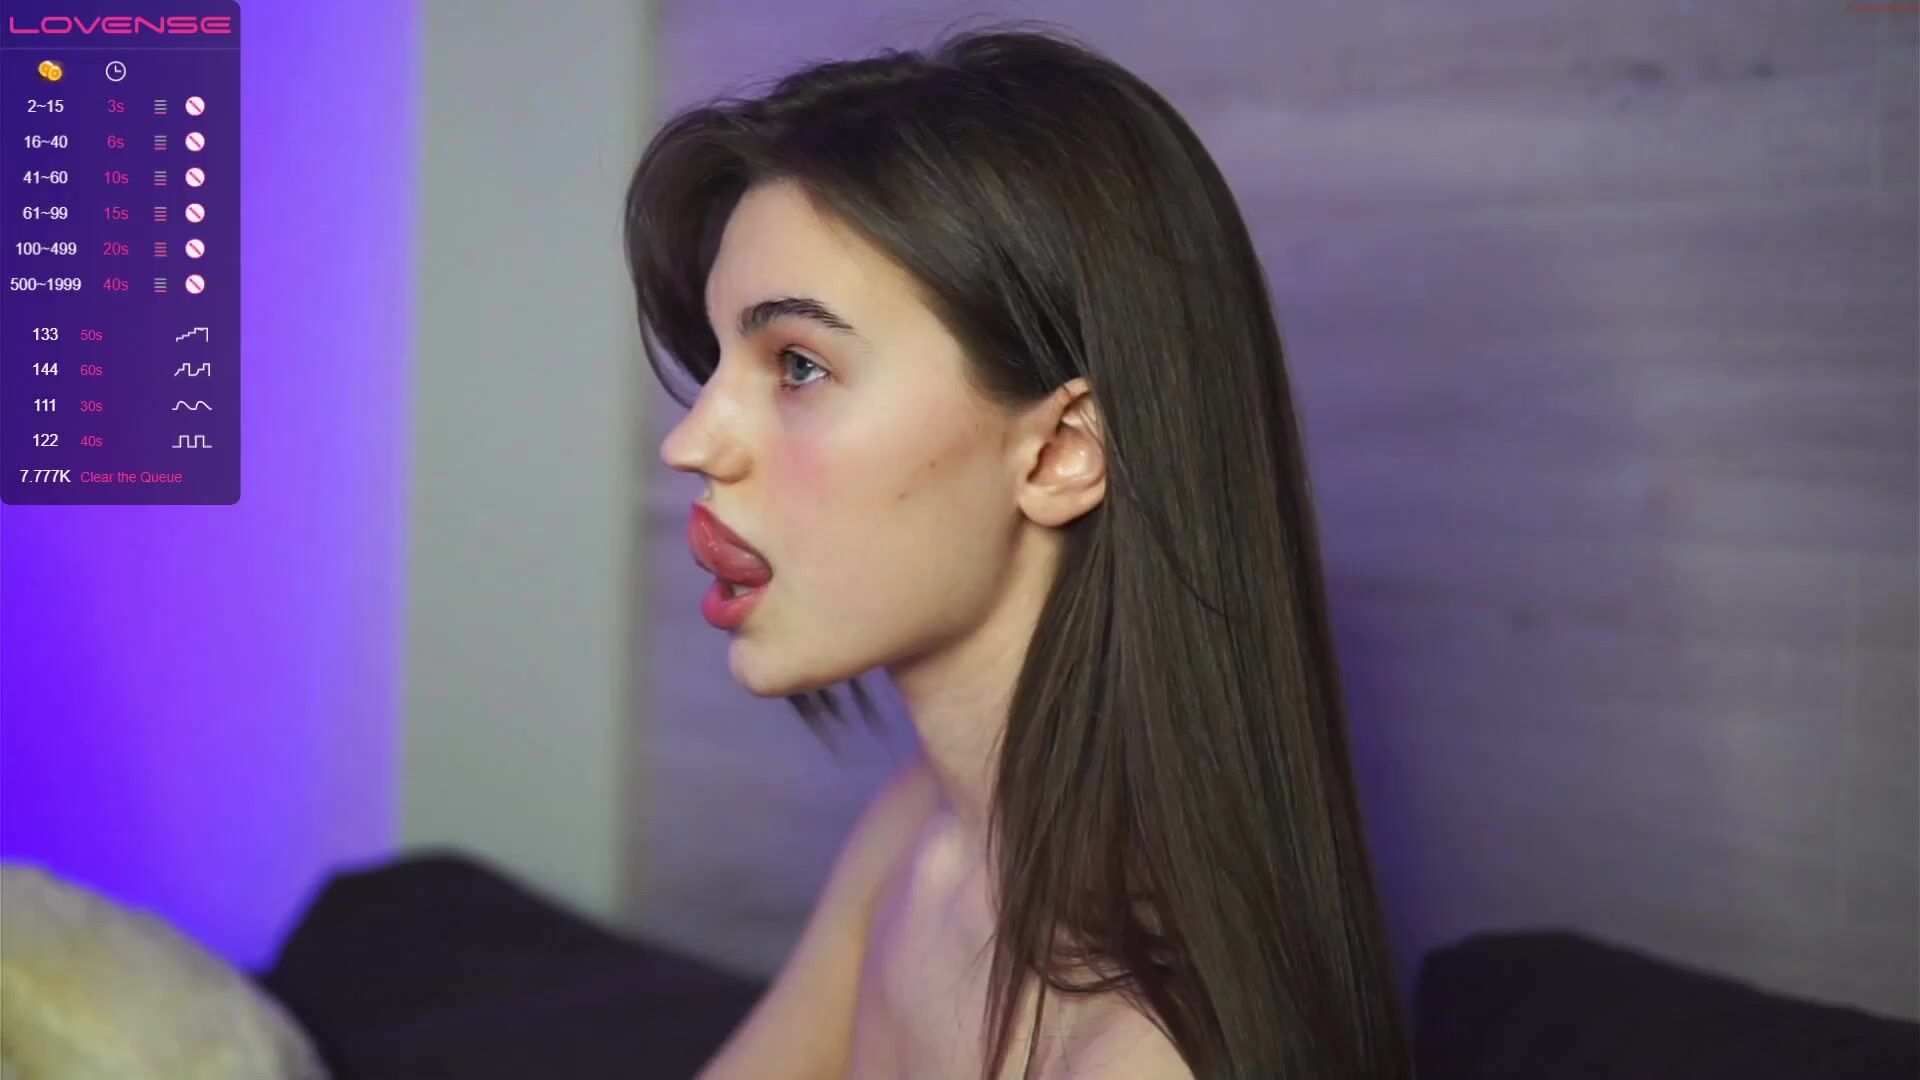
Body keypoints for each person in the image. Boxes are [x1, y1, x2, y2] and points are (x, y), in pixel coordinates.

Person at [624, 22, 1413, 1080]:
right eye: (719, 360)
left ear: (1063, 451)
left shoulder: (1142, 1056)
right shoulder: (930, 836)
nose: (691, 442)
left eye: (798, 365)